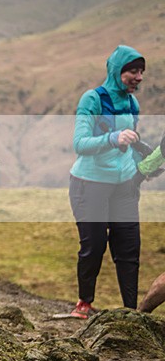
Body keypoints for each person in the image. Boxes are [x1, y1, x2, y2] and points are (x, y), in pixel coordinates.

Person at [68, 45, 146, 318]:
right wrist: (112, 138)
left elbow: (130, 145)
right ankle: (84, 305)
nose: (138, 77)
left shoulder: (132, 103)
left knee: (129, 248)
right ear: (117, 71)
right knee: (94, 246)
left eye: (141, 72)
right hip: (89, 184)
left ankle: (131, 312)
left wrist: (147, 163)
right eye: (133, 72)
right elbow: (80, 144)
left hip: (123, 186)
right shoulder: (93, 100)